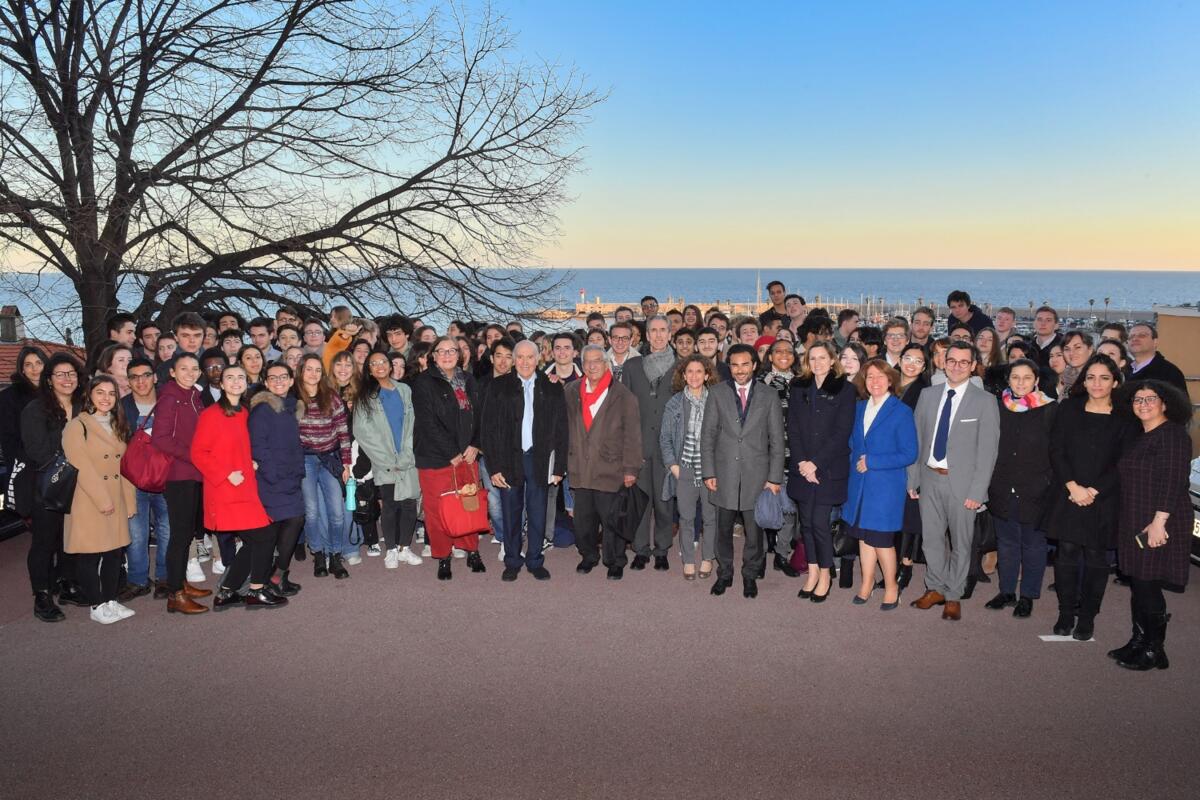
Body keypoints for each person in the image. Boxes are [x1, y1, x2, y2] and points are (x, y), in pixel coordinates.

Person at [906, 340, 1000, 622]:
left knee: (961, 543)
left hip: (964, 485)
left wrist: (978, 491)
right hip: (930, 478)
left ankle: (954, 594)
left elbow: (988, 451)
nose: (957, 366)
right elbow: (918, 440)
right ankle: (934, 587)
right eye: (952, 361)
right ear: (943, 363)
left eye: (963, 362)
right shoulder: (928, 395)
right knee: (931, 541)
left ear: (973, 366)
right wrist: (913, 478)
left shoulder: (985, 402)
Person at [1046, 354, 1133, 640]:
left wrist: (1093, 491)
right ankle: (1065, 613)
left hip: (1104, 498)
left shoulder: (1125, 417)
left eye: (1104, 377)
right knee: (1066, 555)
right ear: (1084, 380)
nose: (1097, 383)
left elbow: (1124, 461)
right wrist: (1073, 486)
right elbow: (1056, 450)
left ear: (1115, 382)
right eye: (1091, 377)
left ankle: (1087, 617)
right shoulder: (1069, 408)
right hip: (1068, 493)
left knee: (1097, 558)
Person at [1111, 381, 1193, 670]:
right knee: (1138, 582)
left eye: (1150, 398)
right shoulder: (1142, 435)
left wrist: (1159, 523)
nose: (1143, 403)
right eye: (1138, 399)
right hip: (1135, 518)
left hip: (1159, 520)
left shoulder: (1172, 436)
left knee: (1147, 585)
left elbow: (1173, 482)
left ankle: (1154, 650)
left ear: (1165, 403)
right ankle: (1138, 641)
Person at [193, 365, 284, 611]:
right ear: (221, 384)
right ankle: (256, 590)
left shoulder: (245, 412)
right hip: (226, 488)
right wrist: (225, 474)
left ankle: (226, 592)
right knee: (264, 536)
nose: (236, 382)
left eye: (240, 377)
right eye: (230, 378)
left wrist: (251, 461)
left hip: (247, 487)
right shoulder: (211, 414)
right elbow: (198, 453)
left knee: (257, 539)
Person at [701, 344, 784, 599]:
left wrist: (773, 478)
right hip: (724, 473)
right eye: (735, 365)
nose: (740, 370)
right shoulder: (716, 393)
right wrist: (709, 472)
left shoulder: (769, 395)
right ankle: (724, 574)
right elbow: (708, 436)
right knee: (722, 530)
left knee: (754, 534)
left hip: (757, 476)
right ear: (729, 366)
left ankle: (751, 575)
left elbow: (776, 440)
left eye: (745, 364)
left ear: (755, 365)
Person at [482, 340, 568, 581]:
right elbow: (487, 430)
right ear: (513, 359)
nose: (525, 362)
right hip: (509, 458)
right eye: (519, 357)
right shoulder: (497, 387)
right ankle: (512, 560)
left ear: (539, 358)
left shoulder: (552, 387)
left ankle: (535, 560)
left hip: (539, 458)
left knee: (538, 510)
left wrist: (560, 467)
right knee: (511, 512)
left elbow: (562, 429)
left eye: (530, 357)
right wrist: (494, 467)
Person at [843, 359, 918, 610]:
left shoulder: (901, 411)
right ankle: (866, 583)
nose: (874, 381)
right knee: (864, 539)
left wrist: (873, 461)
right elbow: (853, 443)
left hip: (885, 487)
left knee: (882, 541)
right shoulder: (859, 407)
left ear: (890, 380)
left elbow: (909, 453)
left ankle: (891, 587)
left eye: (880, 376)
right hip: (860, 484)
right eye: (870, 377)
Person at [62, 375, 137, 624]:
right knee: (90, 554)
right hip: (88, 500)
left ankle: (110, 599)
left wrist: (129, 501)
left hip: (116, 497)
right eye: (100, 392)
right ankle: (96, 604)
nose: (106, 398)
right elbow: (81, 466)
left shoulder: (117, 424)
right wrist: (103, 500)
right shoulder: (77, 427)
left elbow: (124, 467)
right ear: (89, 395)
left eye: (111, 393)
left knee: (114, 554)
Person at [984, 359, 1056, 618]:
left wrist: (1046, 483)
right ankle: (1006, 591)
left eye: (1027, 377)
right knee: (1006, 543)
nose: (1021, 382)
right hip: (1002, 486)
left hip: (1035, 488)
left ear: (1036, 380)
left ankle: (1027, 595)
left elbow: (1056, 452)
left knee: (1034, 545)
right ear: (1008, 380)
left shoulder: (1049, 409)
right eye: (1015, 377)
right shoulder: (997, 407)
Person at [411, 336, 487, 580]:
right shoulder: (423, 383)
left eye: (451, 350)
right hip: (436, 457)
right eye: (441, 351)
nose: (446, 355)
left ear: (459, 354)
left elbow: (480, 414)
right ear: (433, 356)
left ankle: (472, 550)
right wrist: (451, 452)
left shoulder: (468, 379)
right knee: (437, 510)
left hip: (467, 455)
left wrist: (475, 444)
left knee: (469, 503)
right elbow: (427, 423)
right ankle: (443, 556)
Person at [564, 344, 642, 579]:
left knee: (612, 521)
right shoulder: (570, 391)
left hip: (611, 468)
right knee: (583, 522)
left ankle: (615, 560)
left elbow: (633, 435)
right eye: (587, 361)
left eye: (597, 360)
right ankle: (588, 556)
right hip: (580, 467)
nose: (591, 366)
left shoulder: (623, 395)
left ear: (606, 363)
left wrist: (630, 469)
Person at [788, 341, 857, 600]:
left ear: (832, 360)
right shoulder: (798, 387)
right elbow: (792, 428)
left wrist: (815, 463)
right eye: (812, 358)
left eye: (822, 358)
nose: (817, 363)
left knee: (819, 523)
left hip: (828, 468)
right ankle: (813, 572)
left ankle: (826, 573)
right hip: (801, 467)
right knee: (806, 523)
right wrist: (803, 463)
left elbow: (842, 433)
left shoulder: (846, 390)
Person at [21, 353, 87, 621]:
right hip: (48, 486)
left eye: (71, 373)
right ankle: (42, 595)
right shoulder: (35, 410)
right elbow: (38, 451)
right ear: (49, 380)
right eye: (60, 374)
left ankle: (67, 584)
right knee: (44, 543)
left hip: (81, 485)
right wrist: (72, 463)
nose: (67, 379)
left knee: (70, 538)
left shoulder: (84, 406)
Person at [151, 351, 212, 614]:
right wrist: (194, 457)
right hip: (179, 475)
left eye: (194, 368)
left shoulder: (194, 396)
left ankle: (181, 583)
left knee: (187, 533)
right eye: (184, 369)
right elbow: (161, 438)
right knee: (179, 536)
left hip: (195, 473)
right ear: (173, 372)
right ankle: (175, 594)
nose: (190, 373)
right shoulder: (170, 397)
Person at [353, 351, 423, 569]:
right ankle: (391, 549)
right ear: (369, 369)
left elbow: (413, 423)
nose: (379, 366)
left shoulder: (404, 390)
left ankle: (404, 547)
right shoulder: (365, 395)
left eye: (383, 361)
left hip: (407, 456)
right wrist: (384, 458)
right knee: (390, 505)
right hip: (383, 459)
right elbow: (361, 430)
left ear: (390, 365)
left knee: (410, 503)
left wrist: (407, 454)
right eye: (373, 363)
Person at [249, 362, 308, 596]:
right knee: (291, 521)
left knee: (293, 522)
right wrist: (271, 474)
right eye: (273, 378)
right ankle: (273, 576)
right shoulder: (263, 409)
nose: (278, 381)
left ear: (292, 380)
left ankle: (279, 575)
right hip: (272, 479)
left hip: (291, 476)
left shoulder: (292, 406)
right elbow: (258, 446)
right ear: (265, 383)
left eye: (283, 377)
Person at [625, 315, 678, 571]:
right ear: (646, 335)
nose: (658, 335)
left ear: (670, 334)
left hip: (669, 447)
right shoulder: (633, 366)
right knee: (641, 499)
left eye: (662, 331)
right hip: (639, 444)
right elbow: (624, 408)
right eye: (653, 331)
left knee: (665, 501)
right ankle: (640, 549)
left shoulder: (682, 366)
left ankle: (662, 549)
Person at [660, 355, 720, 580]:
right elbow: (664, 438)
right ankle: (687, 560)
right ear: (683, 376)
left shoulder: (716, 400)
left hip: (710, 471)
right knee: (685, 518)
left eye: (699, 371)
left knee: (710, 517)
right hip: (684, 468)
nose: (694, 376)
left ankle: (707, 558)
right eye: (690, 372)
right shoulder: (674, 402)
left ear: (707, 375)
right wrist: (673, 466)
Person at [117, 357, 171, 602]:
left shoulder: (168, 403)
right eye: (134, 377)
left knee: (167, 529)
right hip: (133, 480)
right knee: (136, 533)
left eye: (145, 375)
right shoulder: (120, 407)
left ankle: (165, 577)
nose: (141, 381)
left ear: (155, 377)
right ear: (128, 381)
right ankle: (138, 580)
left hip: (166, 477)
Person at [295, 354, 353, 580]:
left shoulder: (332, 397)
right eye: (308, 369)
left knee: (337, 513)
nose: (313, 374)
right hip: (305, 460)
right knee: (311, 513)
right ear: (301, 371)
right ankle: (318, 554)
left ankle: (336, 556)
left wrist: (346, 464)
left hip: (330, 459)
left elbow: (343, 433)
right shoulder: (294, 399)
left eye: (318, 370)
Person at [759, 339, 801, 575]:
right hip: (764, 454)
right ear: (770, 356)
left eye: (788, 351)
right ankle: (761, 554)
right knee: (763, 504)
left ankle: (782, 555)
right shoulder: (759, 383)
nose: (784, 354)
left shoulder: (803, 382)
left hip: (794, 454)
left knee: (788, 507)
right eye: (778, 351)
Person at [0, 345, 45, 502]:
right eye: (28, 364)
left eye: (39, 363)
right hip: (26, 470)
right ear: (22, 369)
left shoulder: (56, 392)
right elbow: (8, 439)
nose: (34, 369)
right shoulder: (8, 397)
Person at [1126, 323, 1187, 394]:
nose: (1135, 339)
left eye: (1142, 336)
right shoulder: (1123, 370)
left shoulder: (1169, 372)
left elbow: (1180, 403)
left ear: (1155, 342)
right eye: (1131, 337)